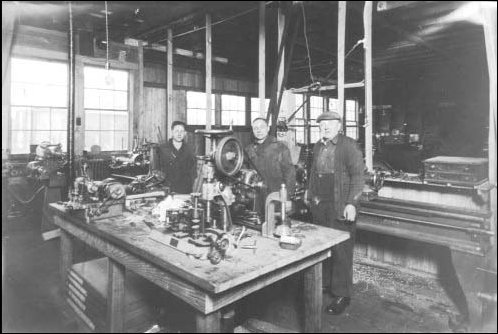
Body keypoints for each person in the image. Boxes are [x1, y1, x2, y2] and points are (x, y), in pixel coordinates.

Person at [305, 111, 365, 315]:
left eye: (330, 124)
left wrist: (352, 204)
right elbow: (313, 172)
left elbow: (358, 176)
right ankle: (327, 284)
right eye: (322, 124)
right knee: (323, 247)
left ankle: (342, 294)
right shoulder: (317, 146)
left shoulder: (348, 145)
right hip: (320, 203)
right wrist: (309, 192)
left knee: (341, 250)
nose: (325, 127)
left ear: (339, 125)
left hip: (340, 204)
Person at [245, 118, 296, 216]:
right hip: (256, 197)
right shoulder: (249, 150)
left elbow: (290, 174)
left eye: (261, 127)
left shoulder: (280, 147)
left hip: (276, 195)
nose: (259, 130)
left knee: (279, 226)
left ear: (268, 128)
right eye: (255, 128)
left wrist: (288, 197)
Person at [158, 121, 197, 194]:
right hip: (167, 189)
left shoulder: (190, 149)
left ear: (185, 133)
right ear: (172, 132)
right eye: (177, 131)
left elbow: (193, 171)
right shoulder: (163, 149)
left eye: (182, 131)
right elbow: (158, 170)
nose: (179, 134)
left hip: (185, 190)